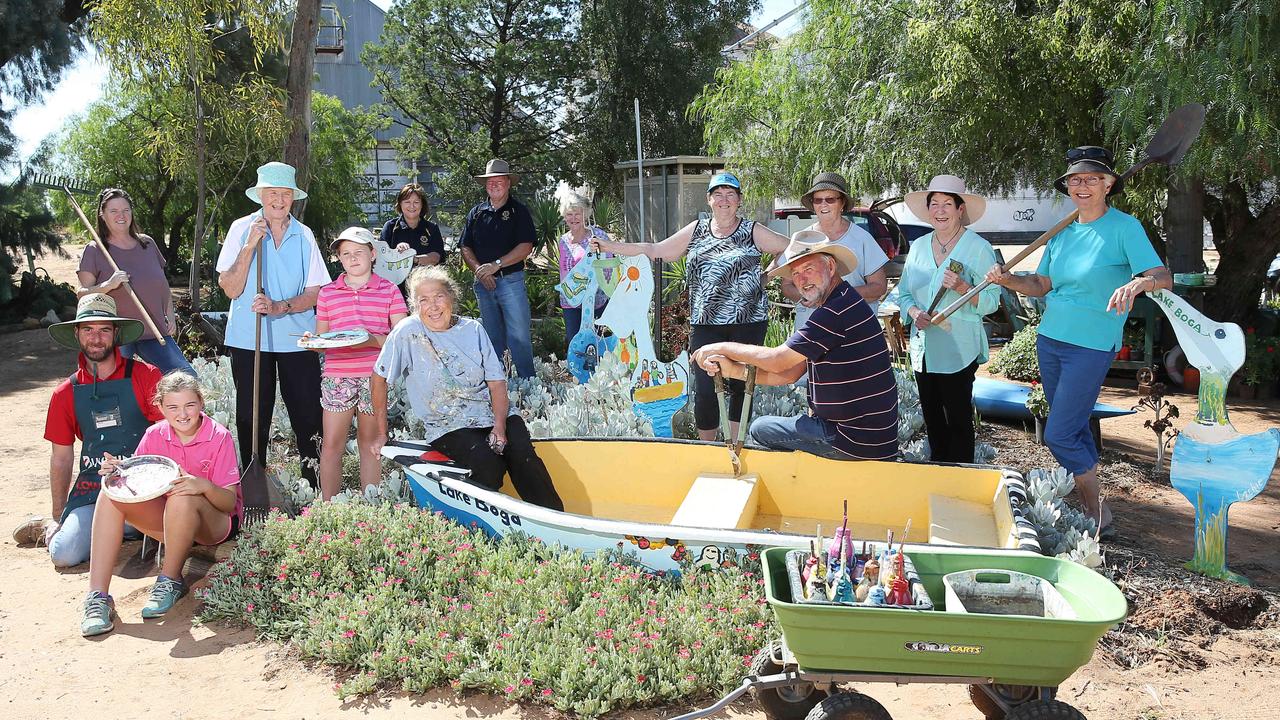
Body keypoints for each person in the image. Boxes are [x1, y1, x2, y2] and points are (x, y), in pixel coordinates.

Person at [986, 146, 1172, 537]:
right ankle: (1094, 506)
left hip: (1092, 343)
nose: (1082, 185)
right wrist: (1007, 280)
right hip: (1050, 339)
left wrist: (1141, 282)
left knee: (1058, 432)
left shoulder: (1125, 228)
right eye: (1075, 179)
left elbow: (1162, 275)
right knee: (1074, 429)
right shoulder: (1062, 230)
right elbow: (1040, 285)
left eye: (1091, 179)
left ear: (1108, 185)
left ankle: (1096, 509)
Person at [593, 171, 790, 441]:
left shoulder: (751, 230)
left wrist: (767, 275)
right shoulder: (697, 230)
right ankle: (708, 449)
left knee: (741, 385)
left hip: (748, 323)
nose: (724, 200)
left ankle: (737, 445)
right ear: (709, 200)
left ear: (739, 200)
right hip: (706, 325)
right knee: (706, 389)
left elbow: (791, 249)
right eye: (718, 195)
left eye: (730, 194)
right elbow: (654, 249)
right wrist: (610, 245)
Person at [692, 231, 898, 461]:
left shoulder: (834, 312)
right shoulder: (842, 300)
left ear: (830, 267)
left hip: (851, 439)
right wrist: (733, 371)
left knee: (760, 429)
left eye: (808, 269)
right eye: (796, 273)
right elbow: (789, 373)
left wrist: (718, 346)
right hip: (869, 438)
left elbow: (777, 360)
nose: (802, 280)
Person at [370, 267, 563, 510]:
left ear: (451, 297)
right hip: (448, 424)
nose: (433, 306)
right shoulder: (407, 332)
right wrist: (381, 432)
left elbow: (496, 383)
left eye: (439, 296)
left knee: (523, 455)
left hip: (493, 414)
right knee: (487, 464)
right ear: (414, 306)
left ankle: (554, 521)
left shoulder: (473, 329)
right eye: (424, 300)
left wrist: (500, 428)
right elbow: (378, 378)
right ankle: (477, 524)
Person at [80, 372, 241, 636]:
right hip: (170, 522)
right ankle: (98, 597)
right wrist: (118, 471)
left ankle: (170, 579)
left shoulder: (218, 436)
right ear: (160, 407)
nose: (183, 414)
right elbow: (140, 484)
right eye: (172, 407)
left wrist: (204, 485)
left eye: (190, 405)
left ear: (201, 403)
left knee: (182, 493)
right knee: (110, 493)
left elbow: (228, 502)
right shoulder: (154, 435)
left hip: (214, 524)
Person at [15, 294, 165, 566]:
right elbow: (61, 457)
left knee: (169, 530)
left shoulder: (147, 376)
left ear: (116, 333)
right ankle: (49, 528)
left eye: (104, 329)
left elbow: (168, 436)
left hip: (143, 491)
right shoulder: (64, 393)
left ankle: (118, 532)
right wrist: (58, 515)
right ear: (77, 333)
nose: (96, 338)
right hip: (94, 491)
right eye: (88, 330)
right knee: (65, 554)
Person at [216, 162, 329, 504]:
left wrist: (280, 306)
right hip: (249, 338)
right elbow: (231, 289)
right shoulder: (240, 228)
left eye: (285, 194)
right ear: (260, 196)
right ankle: (253, 493)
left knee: (308, 415)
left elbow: (315, 293)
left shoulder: (304, 234)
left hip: (298, 339)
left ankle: (314, 489)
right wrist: (250, 246)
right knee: (253, 415)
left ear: (293, 198)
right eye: (272, 194)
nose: (279, 201)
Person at [897, 175, 1001, 464]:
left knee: (958, 420)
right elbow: (903, 294)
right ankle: (938, 476)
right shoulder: (918, 246)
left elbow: (992, 302)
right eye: (934, 204)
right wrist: (915, 313)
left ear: (960, 210)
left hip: (958, 348)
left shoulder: (978, 248)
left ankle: (961, 478)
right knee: (932, 420)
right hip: (924, 349)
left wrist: (962, 287)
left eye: (947, 204)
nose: (940, 210)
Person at [307, 227, 409, 500]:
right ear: (339, 258)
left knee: (369, 443)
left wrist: (370, 340)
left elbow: (399, 337)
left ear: (373, 254)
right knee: (331, 445)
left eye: (359, 252)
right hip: (337, 376)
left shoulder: (388, 290)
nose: (353, 259)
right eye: (346, 254)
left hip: (374, 377)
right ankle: (329, 506)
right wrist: (313, 340)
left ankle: (370, 506)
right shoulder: (328, 293)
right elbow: (323, 336)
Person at [77, 188, 195, 375]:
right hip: (117, 336)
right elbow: (82, 296)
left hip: (153, 330)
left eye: (125, 210)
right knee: (116, 387)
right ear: (102, 215)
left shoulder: (146, 243)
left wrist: (170, 314)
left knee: (186, 378)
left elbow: (161, 283)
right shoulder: (94, 250)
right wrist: (109, 285)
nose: (121, 215)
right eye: (113, 211)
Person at [458, 159, 537, 378]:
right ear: (485, 185)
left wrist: (496, 265)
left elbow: (526, 246)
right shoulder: (476, 213)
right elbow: (465, 246)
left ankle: (527, 384)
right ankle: (499, 383)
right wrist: (479, 271)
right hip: (484, 285)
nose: (494, 185)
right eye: (490, 181)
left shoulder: (518, 211)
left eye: (499, 181)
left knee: (519, 335)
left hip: (510, 281)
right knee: (492, 337)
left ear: (508, 183)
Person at [786, 173, 889, 330]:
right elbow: (786, 285)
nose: (823, 204)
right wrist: (807, 295)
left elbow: (879, 287)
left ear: (842, 203)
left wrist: (835, 296)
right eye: (818, 200)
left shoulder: (862, 239)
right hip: (811, 329)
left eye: (830, 199)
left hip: (853, 327)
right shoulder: (801, 239)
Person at [556, 191, 610, 358]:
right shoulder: (563, 241)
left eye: (577, 214)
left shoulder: (598, 236)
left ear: (585, 214)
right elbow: (563, 271)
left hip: (597, 301)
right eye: (569, 214)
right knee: (576, 345)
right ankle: (580, 382)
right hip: (570, 303)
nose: (573, 218)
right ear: (564, 216)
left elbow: (609, 267)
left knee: (600, 344)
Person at [381, 182, 445, 269]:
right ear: (400, 204)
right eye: (407, 202)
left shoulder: (431, 228)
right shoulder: (390, 227)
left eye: (416, 202)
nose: (412, 206)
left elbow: (436, 257)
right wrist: (397, 251)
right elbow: (382, 257)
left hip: (424, 279)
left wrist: (412, 258)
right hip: (395, 281)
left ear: (422, 204)